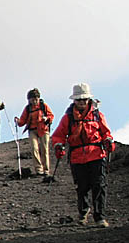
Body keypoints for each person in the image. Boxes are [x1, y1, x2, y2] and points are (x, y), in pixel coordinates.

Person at [50, 83, 116, 227]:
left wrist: (108, 140)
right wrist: (58, 145)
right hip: (77, 157)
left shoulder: (97, 115)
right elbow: (58, 135)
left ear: (89, 100)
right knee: (82, 187)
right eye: (79, 100)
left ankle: (99, 217)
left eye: (84, 99)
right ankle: (83, 212)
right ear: (74, 101)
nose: (82, 102)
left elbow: (106, 132)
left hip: (97, 155)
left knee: (99, 185)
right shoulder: (68, 118)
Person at [15, 88, 55, 175]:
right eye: (33, 99)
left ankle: (46, 170)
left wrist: (46, 118)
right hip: (32, 130)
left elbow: (51, 116)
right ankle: (38, 169)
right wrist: (18, 121)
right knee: (34, 149)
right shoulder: (28, 109)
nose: (35, 101)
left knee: (44, 149)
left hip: (43, 130)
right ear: (29, 100)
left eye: (36, 99)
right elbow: (22, 121)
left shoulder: (43, 106)